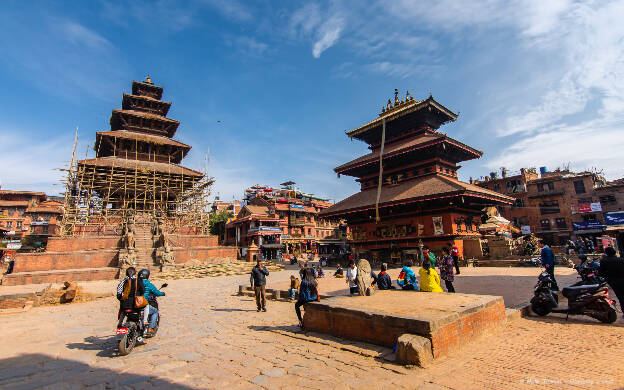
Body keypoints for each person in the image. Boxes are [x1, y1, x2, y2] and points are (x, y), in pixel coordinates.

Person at [138, 269, 165, 335]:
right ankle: (150, 328)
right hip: (142, 303)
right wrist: (162, 293)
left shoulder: (134, 282)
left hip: (133, 303)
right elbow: (156, 292)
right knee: (155, 311)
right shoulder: (148, 284)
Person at [599, 247, 624, 316]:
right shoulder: (621, 260)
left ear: (606, 253)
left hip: (614, 281)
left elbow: (601, 273)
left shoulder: (604, 261)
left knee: (621, 297)